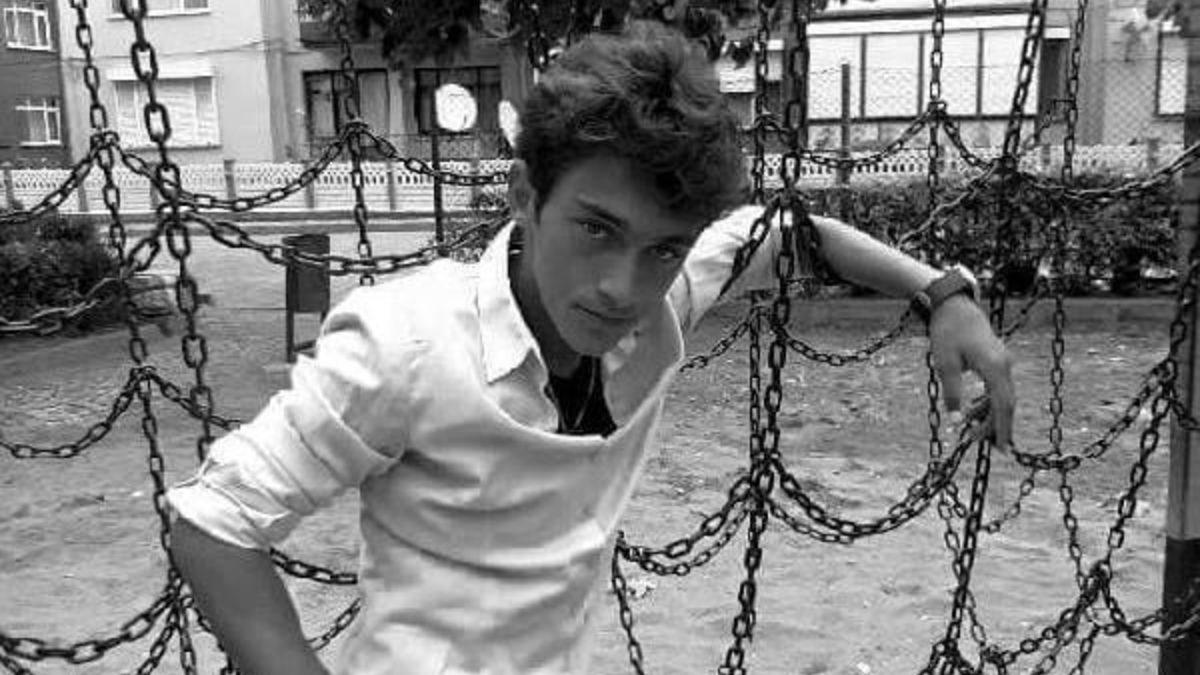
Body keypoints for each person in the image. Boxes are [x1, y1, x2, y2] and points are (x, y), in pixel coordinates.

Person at [168, 21, 1015, 675]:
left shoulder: (666, 299)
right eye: (597, 229)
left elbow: (792, 233)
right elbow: (213, 518)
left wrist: (941, 293)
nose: (622, 287)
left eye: (662, 248)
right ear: (525, 196)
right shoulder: (408, 340)